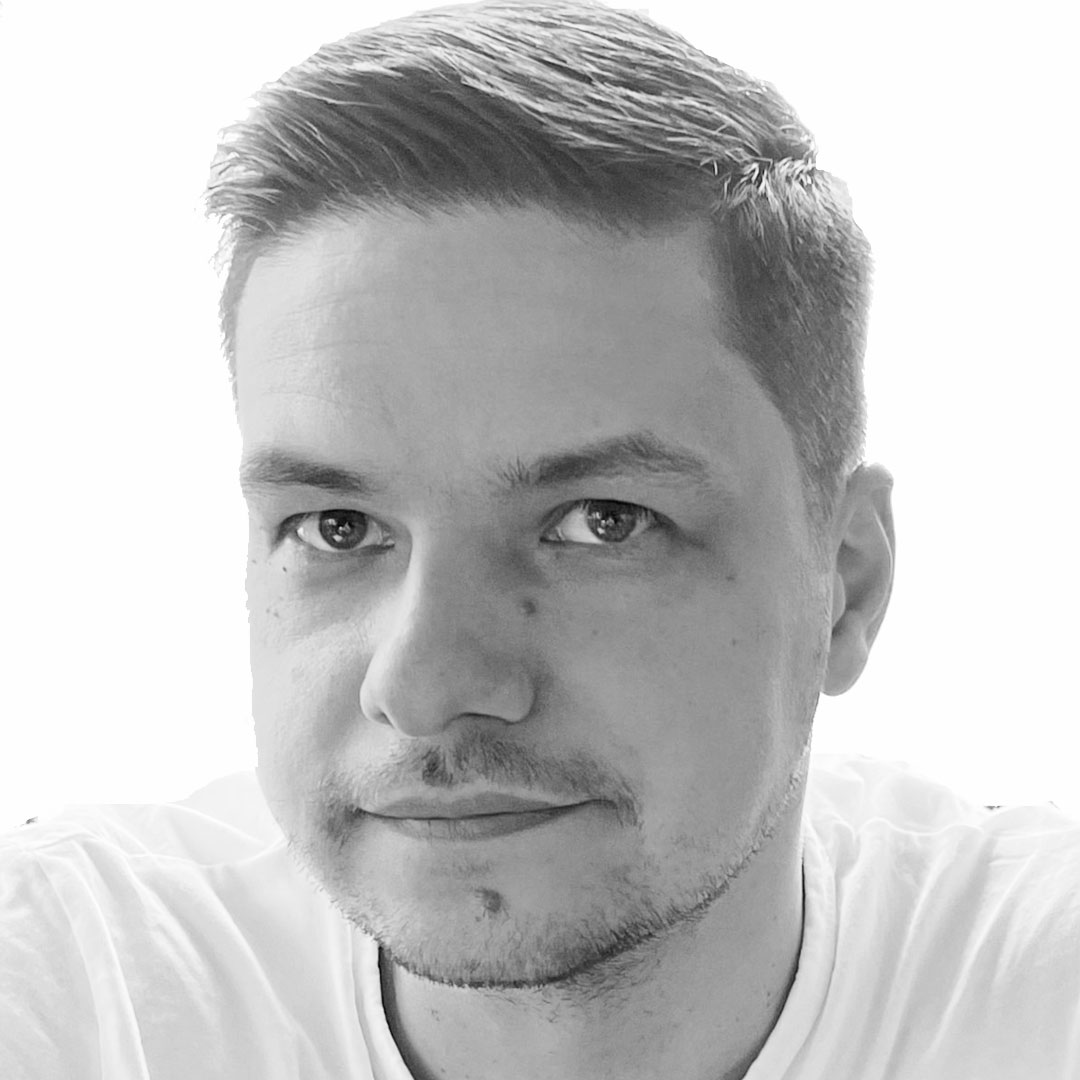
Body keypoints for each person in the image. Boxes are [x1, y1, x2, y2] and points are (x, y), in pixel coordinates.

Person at [2, 1, 1077, 1077]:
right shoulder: (73, 987)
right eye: (339, 528)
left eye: (602, 523)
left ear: (843, 583)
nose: (424, 686)